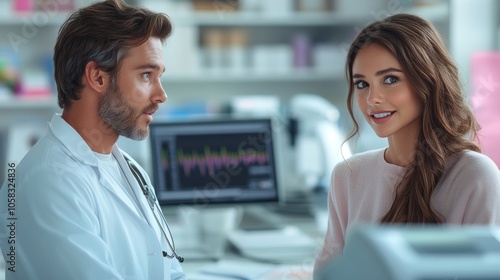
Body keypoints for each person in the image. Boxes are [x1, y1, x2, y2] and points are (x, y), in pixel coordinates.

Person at [0, 0, 185, 279]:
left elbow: (170, 273)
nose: (161, 95)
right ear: (97, 78)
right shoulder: (48, 181)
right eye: (146, 75)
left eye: (159, 76)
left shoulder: (129, 168)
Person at [314, 13, 500, 273]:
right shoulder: (348, 176)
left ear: (427, 80)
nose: (372, 99)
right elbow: (328, 274)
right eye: (362, 84)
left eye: (390, 79)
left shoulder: (475, 176)